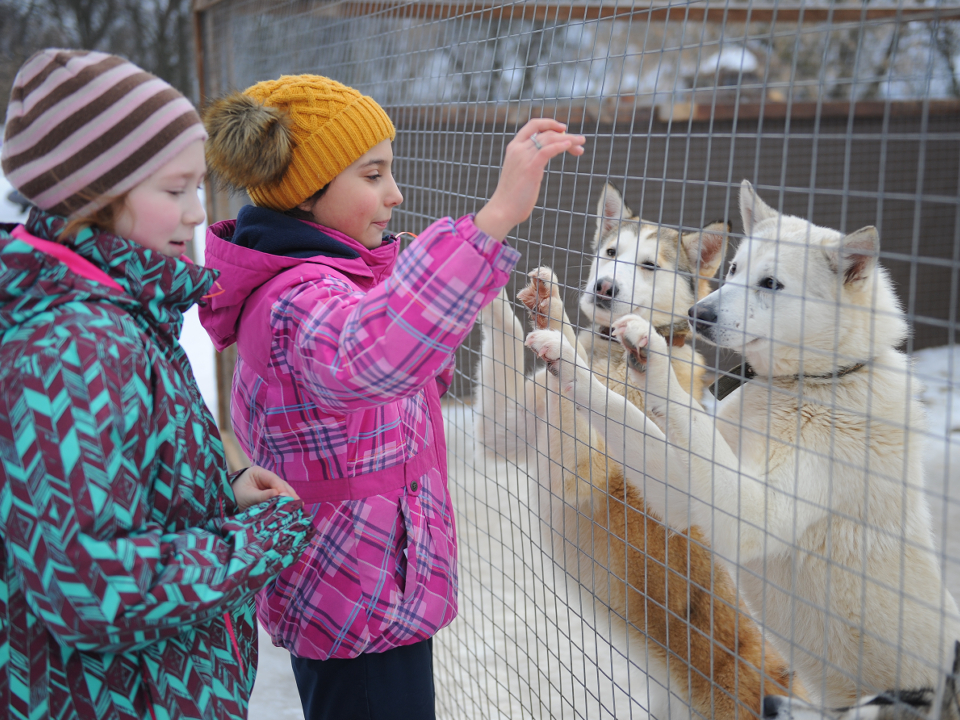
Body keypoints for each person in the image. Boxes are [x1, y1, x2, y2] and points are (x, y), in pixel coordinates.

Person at [198, 74, 585, 719]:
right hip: (357, 599)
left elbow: (396, 380)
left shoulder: (326, 281)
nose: (395, 194)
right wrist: (495, 218)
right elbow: (372, 356)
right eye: (372, 175)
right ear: (305, 191)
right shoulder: (297, 299)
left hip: (371, 586)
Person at [0, 49, 316, 720]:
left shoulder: (123, 313)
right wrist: (259, 539)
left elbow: (116, 490)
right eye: (174, 191)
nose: (198, 213)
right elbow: (90, 587)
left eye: (197, 188)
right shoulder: (75, 346)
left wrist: (221, 497)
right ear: (92, 197)